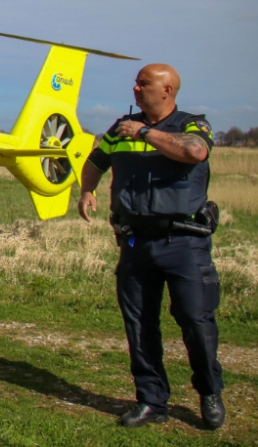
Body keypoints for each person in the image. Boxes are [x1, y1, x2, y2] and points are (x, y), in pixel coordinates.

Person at [78, 64, 225, 430]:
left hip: (184, 243)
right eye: (136, 82)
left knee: (195, 320)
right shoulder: (119, 128)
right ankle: (151, 400)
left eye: (144, 83)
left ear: (168, 90)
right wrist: (87, 190)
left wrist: (145, 133)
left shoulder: (193, 125)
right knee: (140, 324)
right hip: (135, 242)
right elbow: (96, 161)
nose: (136, 88)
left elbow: (194, 153)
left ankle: (209, 391)